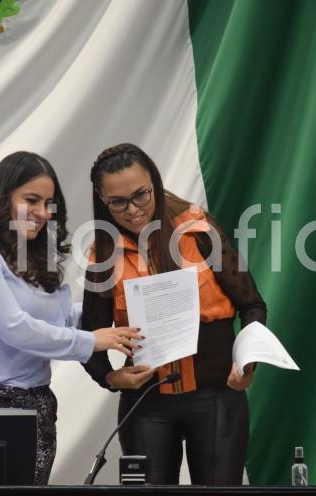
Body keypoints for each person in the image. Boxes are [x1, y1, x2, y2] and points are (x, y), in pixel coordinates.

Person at [0, 151, 143, 485]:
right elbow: (16, 329)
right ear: (3, 198)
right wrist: (92, 340)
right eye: (32, 200)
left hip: (34, 410)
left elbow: (63, 317)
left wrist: (123, 309)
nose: (42, 213)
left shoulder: (35, 257)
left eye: (49, 203)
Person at [82, 143, 267, 485]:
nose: (132, 209)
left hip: (216, 396)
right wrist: (110, 378)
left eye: (141, 195)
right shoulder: (103, 254)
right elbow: (88, 336)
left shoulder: (197, 229)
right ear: (102, 200)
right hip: (147, 403)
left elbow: (252, 305)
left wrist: (247, 363)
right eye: (117, 202)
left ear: (154, 181)